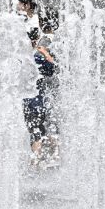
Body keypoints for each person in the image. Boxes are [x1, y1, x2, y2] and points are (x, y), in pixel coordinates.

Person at [23, 24, 60, 168]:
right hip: (41, 100)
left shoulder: (21, 56)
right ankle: (50, 157)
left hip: (27, 101)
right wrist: (46, 54)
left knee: (34, 131)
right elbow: (54, 69)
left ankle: (35, 161)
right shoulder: (39, 56)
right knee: (48, 129)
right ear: (36, 39)